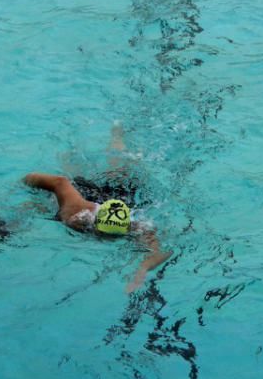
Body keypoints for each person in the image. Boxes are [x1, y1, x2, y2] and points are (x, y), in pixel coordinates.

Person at [23, 125, 171, 292]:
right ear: (95, 224)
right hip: (87, 195)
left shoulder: (134, 228)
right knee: (65, 181)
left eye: (112, 236)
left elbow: (158, 253)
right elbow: (60, 182)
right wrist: (25, 183)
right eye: (103, 234)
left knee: (121, 173)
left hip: (123, 199)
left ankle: (118, 135)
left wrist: (142, 270)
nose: (106, 239)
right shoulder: (77, 213)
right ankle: (87, 145)